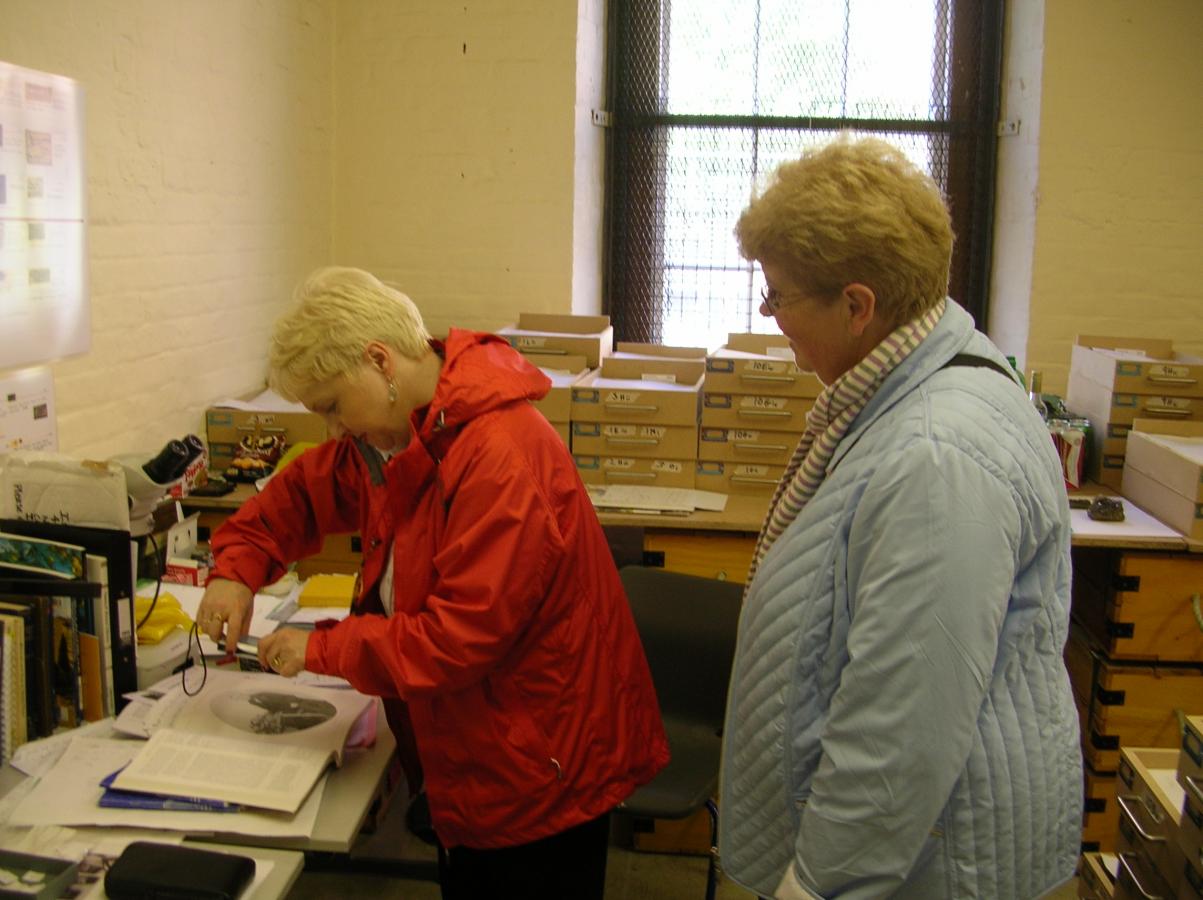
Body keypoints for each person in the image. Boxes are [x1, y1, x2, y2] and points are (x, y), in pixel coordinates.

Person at [196, 266, 669, 899]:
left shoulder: (498, 453)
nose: (334, 429)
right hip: (477, 753)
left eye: (333, 407)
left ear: (379, 362)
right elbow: (299, 497)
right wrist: (235, 569)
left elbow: (457, 640)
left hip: (538, 767)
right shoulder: (400, 438)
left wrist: (323, 648)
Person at [718, 136, 1081, 899]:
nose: (768, 314)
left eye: (778, 294)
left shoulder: (934, 455)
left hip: (930, 870)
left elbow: (899, 730)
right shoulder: (904, 394)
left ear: (857, 306)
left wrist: (816, 887)